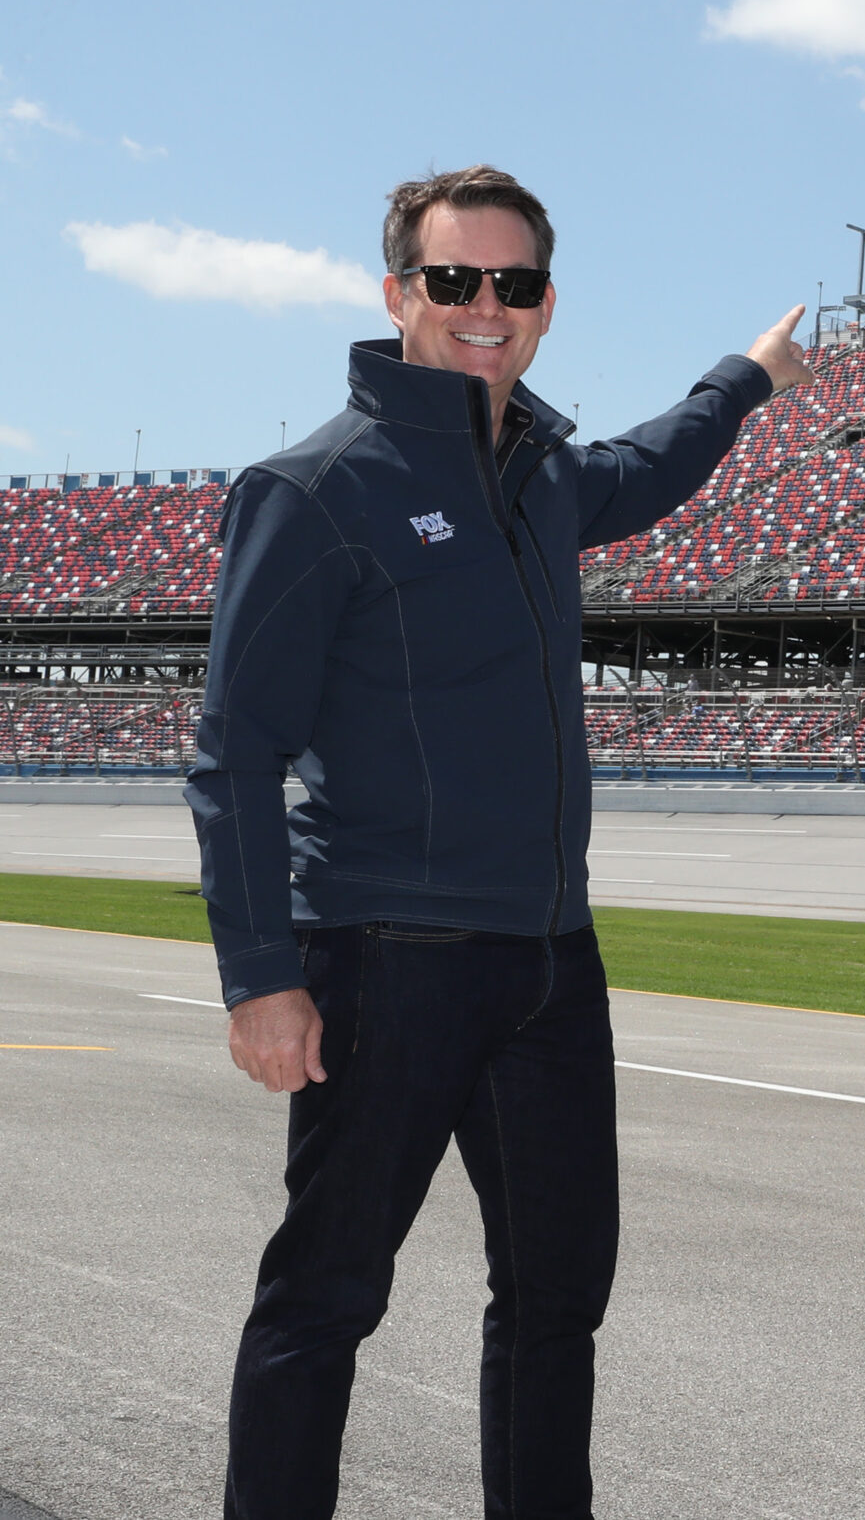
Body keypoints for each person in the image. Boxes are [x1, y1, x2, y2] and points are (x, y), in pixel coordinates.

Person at [189, 164, 813, 1519]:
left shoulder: (540, 482)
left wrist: (746, 378)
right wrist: (258, 974)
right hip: (386, 954)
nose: (486, 307)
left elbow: (655, 462)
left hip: (546, 963)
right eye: (454, 280)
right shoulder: (314, 489)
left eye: (514, 285)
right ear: (398, 294)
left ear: (545, 305)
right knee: (326, 1302)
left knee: (555, 1304)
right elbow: (232, 749)